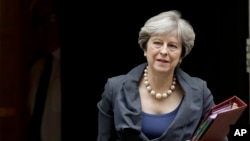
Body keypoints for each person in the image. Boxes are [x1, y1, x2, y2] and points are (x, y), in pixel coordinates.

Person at [97, 10, 228, 141]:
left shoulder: (200, 91)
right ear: (145, 48)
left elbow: (219, 138)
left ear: (182, 55)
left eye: (172, 45)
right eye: (157, 43)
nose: (164, 51)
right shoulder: (114, 88)